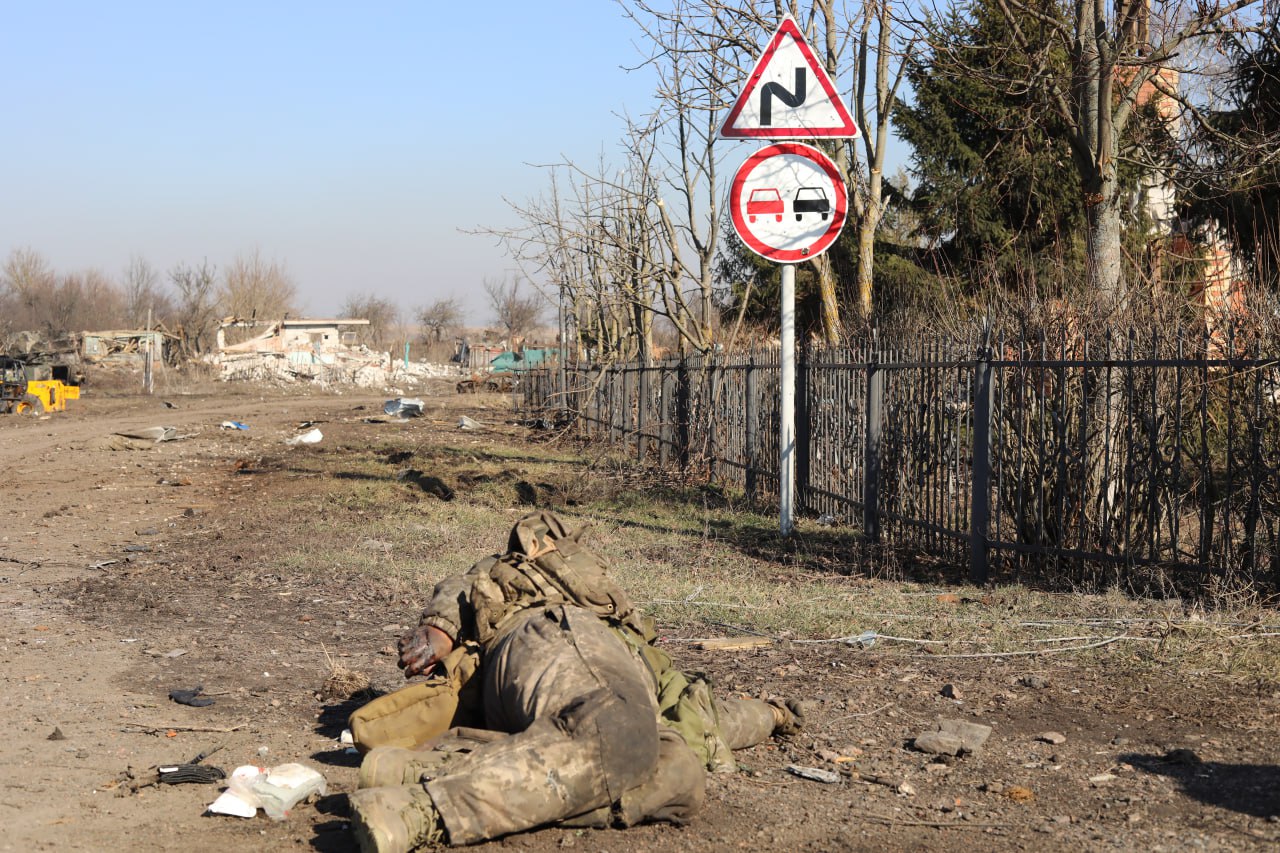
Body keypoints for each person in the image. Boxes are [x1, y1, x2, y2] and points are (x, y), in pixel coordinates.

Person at [348, 511, 802, 852]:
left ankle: (417, 772)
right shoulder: (529, 581)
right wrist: (441, 628)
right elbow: (462, 588)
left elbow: (707, 718)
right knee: (619, 732)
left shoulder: (633, 637)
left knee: (678, 771)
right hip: (551, 638)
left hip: (588, 688)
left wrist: (774, 714)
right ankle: (427, 809)